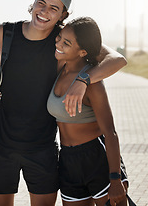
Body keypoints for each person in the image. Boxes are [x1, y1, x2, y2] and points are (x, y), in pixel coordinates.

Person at [0, 0, 127, 206]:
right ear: (33, 3)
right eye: (41, 3)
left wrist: (83, 80)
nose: (44, 11)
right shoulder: (5, 33)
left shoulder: (63, 40)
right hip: (0, 144)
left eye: (54, 8)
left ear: (63, 15)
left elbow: (117, 59)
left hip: (42, 148)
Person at [47, 17, 128, 206]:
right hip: (67, 159)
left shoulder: (92, 83)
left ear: (82, 51)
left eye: (66, 43)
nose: (58, 44)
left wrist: (115, 179)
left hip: (97, 159)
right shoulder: (59, 71)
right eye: (59, 38)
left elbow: (110, 132)